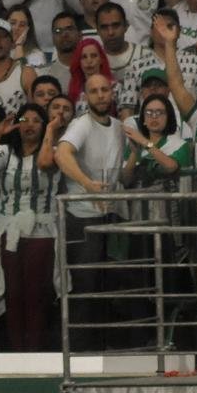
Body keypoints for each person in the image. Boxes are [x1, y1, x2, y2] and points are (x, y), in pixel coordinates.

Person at [0, 104, 62, 351]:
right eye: (25, 119)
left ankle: (34, 352)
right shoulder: (6, 151)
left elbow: (46, 163)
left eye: (37, 120)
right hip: (9, 233)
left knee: (36, 295)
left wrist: (50, 131)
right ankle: (16, 352)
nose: (30, 124)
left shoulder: (52, 150)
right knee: (13, 294)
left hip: (41, 233)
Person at [55, 71, 124, 352]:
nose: (100, 95)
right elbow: (62, 153)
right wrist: (87, 185)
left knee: (109, 287)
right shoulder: (81, 124)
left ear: (112, 92)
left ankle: (105, 347)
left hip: (110, 215)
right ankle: (81, 352)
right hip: (81, 217)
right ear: (85, 96)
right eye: (94, 91)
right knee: (85, 288)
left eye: (104, 90)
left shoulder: (119, 126)